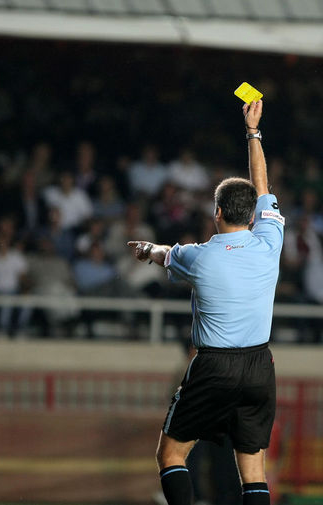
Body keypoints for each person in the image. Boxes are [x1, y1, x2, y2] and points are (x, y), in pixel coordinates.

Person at [128, 100, 284, 505]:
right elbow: (263, 186)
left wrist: (146, 248)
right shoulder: (271, 242)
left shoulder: (198, 255)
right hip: (260, 365)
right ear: (253, 216)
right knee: (253, 469)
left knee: (170, 454)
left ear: (216, 213)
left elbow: (164, 253)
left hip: (213, 365)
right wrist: (253, 132)